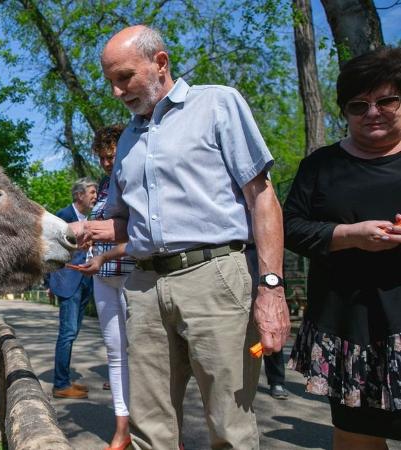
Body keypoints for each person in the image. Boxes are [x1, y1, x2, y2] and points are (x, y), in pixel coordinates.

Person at [77, 25, 290, 449]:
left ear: (160, 62)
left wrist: (271, 288)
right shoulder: (128, 140)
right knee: (148, 429)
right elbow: (126, 223)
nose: (117, 92)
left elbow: (262, 199)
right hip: (142, 287)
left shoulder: (217, 104)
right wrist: (76, 230)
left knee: (230, 427)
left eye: (124, 78)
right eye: (110, 82)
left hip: (214, 278)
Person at [284, 46, 401, 449]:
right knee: (357, 434)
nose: (373, 112)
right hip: (347, 326)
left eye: (386, 100)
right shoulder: (320, 165)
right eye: (358, 105)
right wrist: (349, 236)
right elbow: (290, 228)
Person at [69, 125, 135, 450]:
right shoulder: (106, 185)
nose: (107, 162)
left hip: (134, 275)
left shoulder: (135, 180)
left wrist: (105, 251)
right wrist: (88, 248)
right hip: (102, 276)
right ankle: (122, 427)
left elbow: (143, 236)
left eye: (112, 156)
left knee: (147, 355)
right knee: (115, 353)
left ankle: (162, 430)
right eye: (103, 157)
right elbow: (102, 231)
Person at [46, 178, 97, 399]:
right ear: (79, 195)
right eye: (92, 192)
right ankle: (60, 385)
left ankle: (65, 379)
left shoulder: (89, 218)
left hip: (86, 280)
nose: (95, 196)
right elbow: (50, 250)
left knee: (73, 332)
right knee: (67, 333)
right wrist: (50, 283)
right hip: (69, 281)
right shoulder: (63, 216)